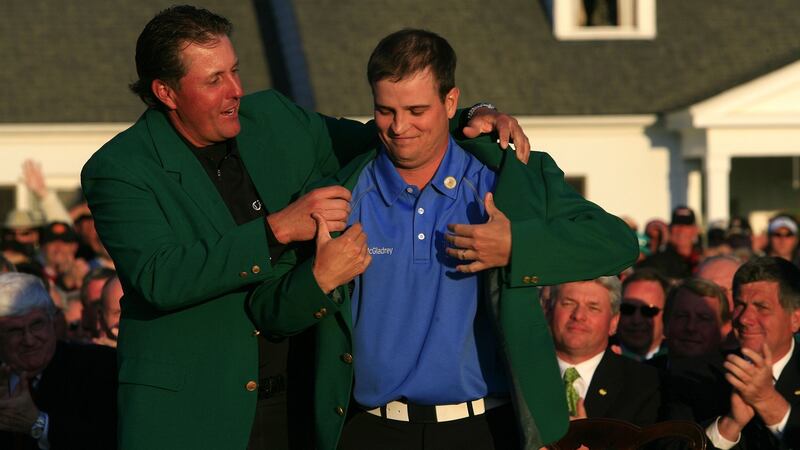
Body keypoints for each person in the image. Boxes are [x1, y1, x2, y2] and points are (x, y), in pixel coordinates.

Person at [81, 6, 530, 450]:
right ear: (166, 91)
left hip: (303, 401)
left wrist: (472, 115)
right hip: (197, 408)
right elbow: (161, 276)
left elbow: (389, 136)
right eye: (214, 80)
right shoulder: (119, 168)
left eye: (235, 71)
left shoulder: (274, 117)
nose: (235, 90)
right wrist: (276, 229)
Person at [251, 28, 638, 450]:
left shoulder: (508, 178)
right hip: (367, 431)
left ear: (451, 102)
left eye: (417, 110)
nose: (400, 127)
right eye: (384, 111)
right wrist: (318, 280)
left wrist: (516, 247)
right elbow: (273, 315)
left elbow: (618, 243)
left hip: (485, 430)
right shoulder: (339, 195)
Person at [0, 272, 117, 450]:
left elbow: (107, 438)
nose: (29, 340)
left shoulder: (99, 366)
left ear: (52, 322)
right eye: (14, 331)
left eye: (37, 324)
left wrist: (39, 424)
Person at [706, 257, 800, 449]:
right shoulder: (704, 373)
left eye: (762, 307)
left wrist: (768, 402)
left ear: (795, 320)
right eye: (740, 305)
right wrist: (730, 425)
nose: (745, 318)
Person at [546, 278, 661, 426]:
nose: (579, 315)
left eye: (593, 308)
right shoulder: (518, 375)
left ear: (614, 322)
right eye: (568, 303)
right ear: (549, 310)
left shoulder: (646, 385)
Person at [663, 278, 731, 358]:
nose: (690, 327)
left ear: (724, 328)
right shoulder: (646, 369)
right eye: (682, 316)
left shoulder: (735, 370)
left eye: (703, 319)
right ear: (666, 322)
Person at [616, 268, 670, 361]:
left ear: (666, 315)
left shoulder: (676, 362)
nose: (637, 320)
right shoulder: (599, 357)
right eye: (628, 309)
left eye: (648, 311)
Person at [639, 206, 701, 280]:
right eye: (677, 225)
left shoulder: (702, 259)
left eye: (686, 225)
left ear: (695, 230)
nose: (681, 230)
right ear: (670, 228)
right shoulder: (656, 262)